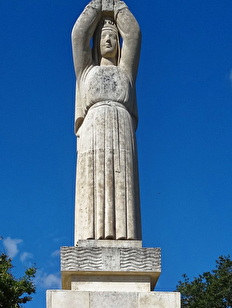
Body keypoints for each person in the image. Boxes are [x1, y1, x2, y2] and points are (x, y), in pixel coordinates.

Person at [72, 0, 142, 245]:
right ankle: (89, 237)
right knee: (92, 188)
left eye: (112, 36)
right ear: (96, 42)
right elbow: (79, 35)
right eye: (103, 37)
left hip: (121, 129)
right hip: (93, 130)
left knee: (123, 188)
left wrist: (118, 8)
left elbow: (133, 34)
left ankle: (126, 236)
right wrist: (97, 7)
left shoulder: (126, 73)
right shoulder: (86, 72)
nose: (109, 40)